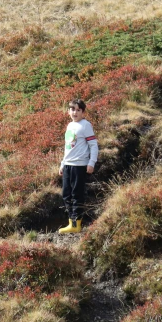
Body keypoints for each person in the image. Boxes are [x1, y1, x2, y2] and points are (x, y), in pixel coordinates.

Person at [58, 98, 98, 234]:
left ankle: (76, 223)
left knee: (77, 194)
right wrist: (62, 164)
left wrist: (91, 162)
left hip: (79, 165)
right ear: (68, 111)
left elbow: (93, 145)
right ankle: (72, 222)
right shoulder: (70, 126)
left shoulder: (85, 125)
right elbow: (67, 147)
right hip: (68, 164)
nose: (75, 112)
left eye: (78, 110)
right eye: (72, 109)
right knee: (66, 194)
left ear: (83, 112)